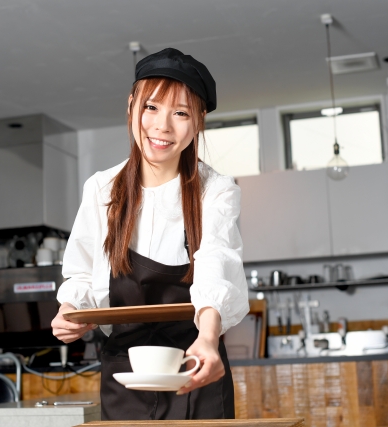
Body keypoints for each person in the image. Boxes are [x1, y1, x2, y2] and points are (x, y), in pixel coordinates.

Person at [51, 48, 249, 420]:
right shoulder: (102, 188)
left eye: (181, 113)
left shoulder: (215, 190)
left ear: (199, 121)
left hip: (194, 364)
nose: (162, 126)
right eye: (151, 107)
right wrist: (70, 311)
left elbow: (216, 263)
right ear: (131, 107)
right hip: (125, 376)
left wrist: (208, 339)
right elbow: (82, 274)